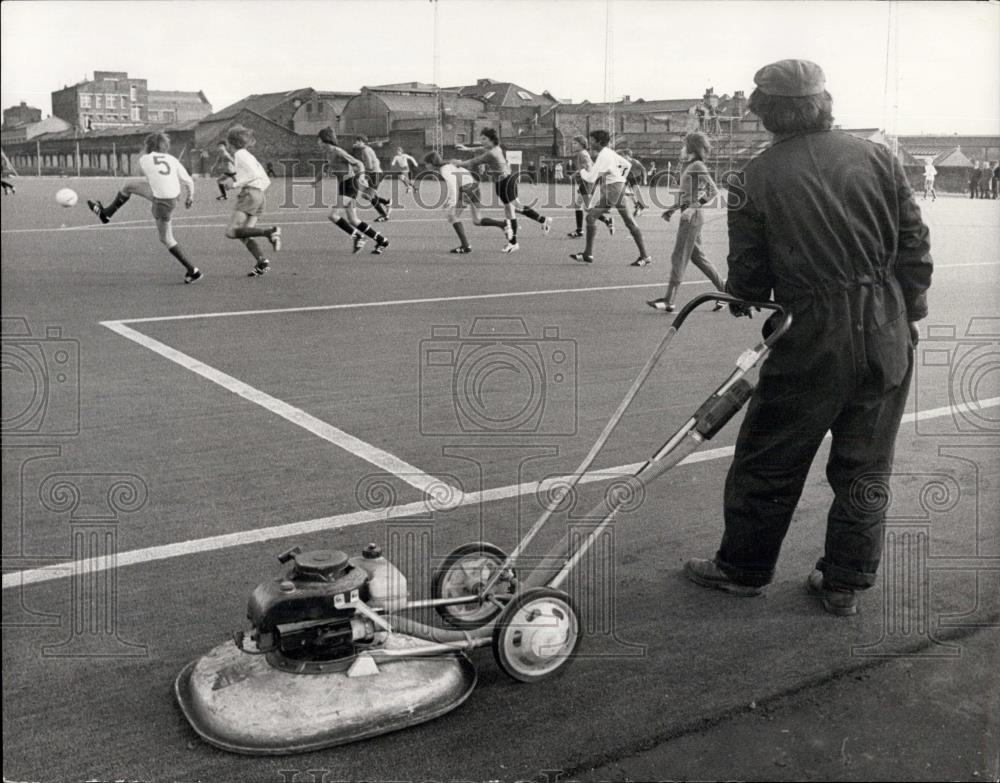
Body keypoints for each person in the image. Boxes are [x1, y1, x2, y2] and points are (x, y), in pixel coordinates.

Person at [682, 59, 933, 616]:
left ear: (764, 111)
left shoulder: (752, 177)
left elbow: (748, 279)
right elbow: (914, 246)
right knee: (866, 463)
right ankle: (844, 581)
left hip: (812, 333)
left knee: (769, 456)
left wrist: (744, 295)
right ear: (825, 101)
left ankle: (743, 568)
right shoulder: (878, 157)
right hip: (888, 326)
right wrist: (905, 312)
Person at [85, 131, 201, 283]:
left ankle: (193, 270)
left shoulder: (144, 159)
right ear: (165, 146)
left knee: (166, 238)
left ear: (148, 146)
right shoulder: (172, 159)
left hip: (162, 201)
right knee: (129, 186)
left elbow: (151, 176)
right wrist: (190, 198)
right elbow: (189, 181)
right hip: (172, 197)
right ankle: (106, 214)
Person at [647, 132, 726, 311]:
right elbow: (687, 194)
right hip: (688, 214)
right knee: (697, 257)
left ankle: (669, 300)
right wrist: (673, 209)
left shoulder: (697, 165)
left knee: (679, 256)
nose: (681, 149)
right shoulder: (689, 166)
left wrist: (691, 208)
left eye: (684, 146)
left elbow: (714, 191)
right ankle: (725, 292)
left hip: (692, 216)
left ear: (691, 148)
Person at [454, 128, 553, 253]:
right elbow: (481, 148)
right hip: (505, 181)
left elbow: (474, 162)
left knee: (511, 210)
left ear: (491, 140)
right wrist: (469, 149)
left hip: (505, 183)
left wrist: (459, 163)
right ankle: (542, 221)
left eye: (484, 139)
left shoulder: (491, 153)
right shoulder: (496, 148)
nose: (482, 141)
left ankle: (514, 242)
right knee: (515, 208)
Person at [570, 129, 651, 267]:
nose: (591, 143)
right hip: (616, 188)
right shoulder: (609, 153)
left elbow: (591, 177)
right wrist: (620, 179)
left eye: (593, 140)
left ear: (599, 142)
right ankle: (645, 256)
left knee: (591, 217)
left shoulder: (603, 156)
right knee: (629, 222)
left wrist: (581, 172)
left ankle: (588, 254)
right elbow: (627, 165)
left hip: (613, 190)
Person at [317, 127, 389, 255]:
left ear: (324, 140)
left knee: (333, 215)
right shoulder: (328, 153)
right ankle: (382, 241)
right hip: (343, 185)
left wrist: (361, 177)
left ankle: (359, 237)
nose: (317, 142)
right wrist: (316, 180)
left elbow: (359, 164)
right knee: (353, 220)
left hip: (350, 185)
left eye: (319, 140)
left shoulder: (338, 151)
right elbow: (327, 166)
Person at [222, 125, 282, 277]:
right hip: (260, 195)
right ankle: (262, 262)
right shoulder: (247, 155)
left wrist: (235, 184)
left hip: (250, 194)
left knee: (231, 232)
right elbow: (264, 179)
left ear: (230, 143)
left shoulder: (240, 155)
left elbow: (254, 174)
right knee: (244, 234)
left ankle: (269, 232)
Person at [422, 150, 509, 253]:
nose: (426, 166)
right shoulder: (449, 165)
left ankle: (465, 246)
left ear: (432, 163)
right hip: (475, 186)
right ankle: (503, 224)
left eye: (426, 164)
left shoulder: (444, 169)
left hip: (467, 189)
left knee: (452, 216)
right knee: (477, 220)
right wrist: (450, 200)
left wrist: (452, 202)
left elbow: (452, 185)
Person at [567, 135, 614, 238]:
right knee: (584, 207)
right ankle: (606, 221)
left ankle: (580, 231)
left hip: (588, 183)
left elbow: (589, 168)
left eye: (575, 143)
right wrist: (575, 175)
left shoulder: (582, 154)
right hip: (587, 182)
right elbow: (591, 165)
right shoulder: (583, 154)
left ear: (581, 145)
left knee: (582, 206)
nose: (573, 145)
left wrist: (588, 181)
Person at [352, 136, 392, 222]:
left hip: (375, 174)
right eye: (356, 141)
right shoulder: (365, 149)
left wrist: (360, 169)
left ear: (363, 142)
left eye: (358, 141)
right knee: (365, 195)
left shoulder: (366, 150)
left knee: (370, 196)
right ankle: (386, 202)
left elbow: (369, 166)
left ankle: (383, 215)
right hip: (373, 174)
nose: (356, 143)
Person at [623, 149, 648, 216]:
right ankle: (638, 205)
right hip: (628, 178)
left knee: (633, 192)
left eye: (624, 155)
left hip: (636, 178)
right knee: (626, 192)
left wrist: (645, 179)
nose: (623, 157)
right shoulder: (623, 162)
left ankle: (639, 206)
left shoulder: (635, 162)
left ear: (628, 156)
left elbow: (643, 169)